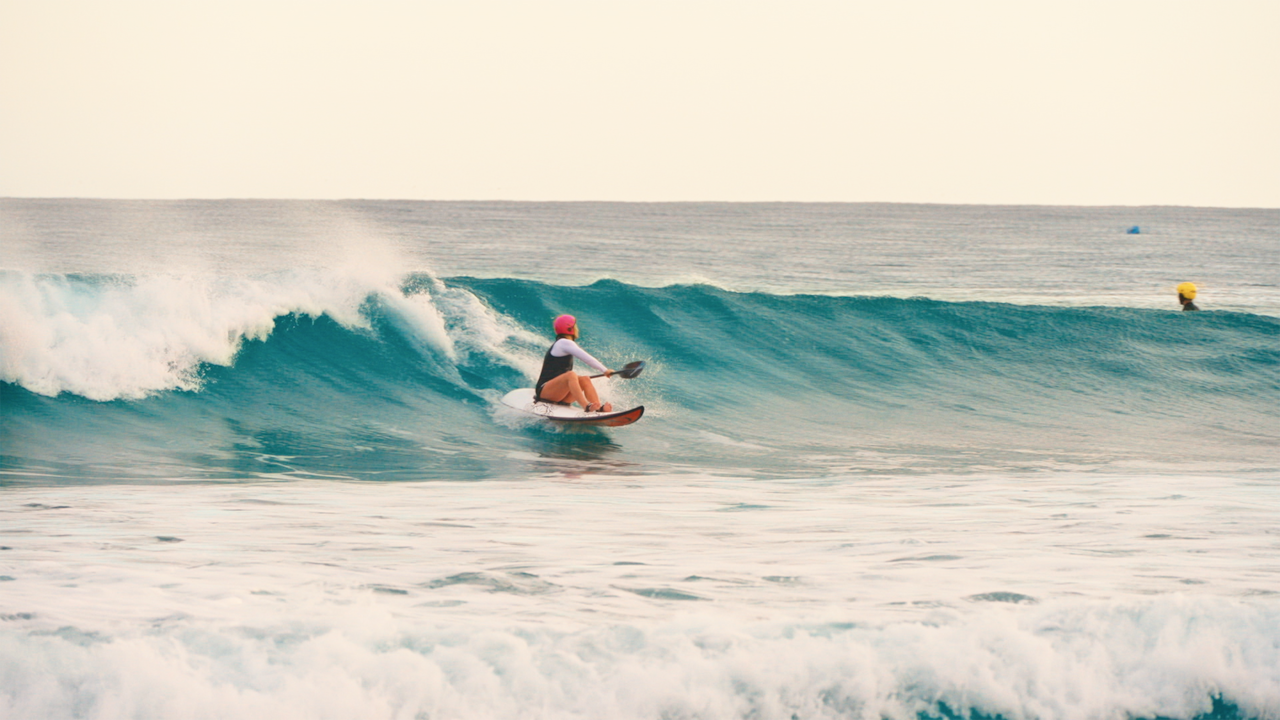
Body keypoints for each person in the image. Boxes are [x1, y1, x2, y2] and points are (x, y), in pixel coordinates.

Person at [534, 315, 616, 412]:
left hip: (560, 394)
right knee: (571, 375)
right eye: (575, 326)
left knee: (585, 379)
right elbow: (587, 358)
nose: (577, 329)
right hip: (545, 392)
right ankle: (586, 406)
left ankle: (598, 408)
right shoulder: (563, 343)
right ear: (570, 329)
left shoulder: (564, 343)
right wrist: (605, 370)